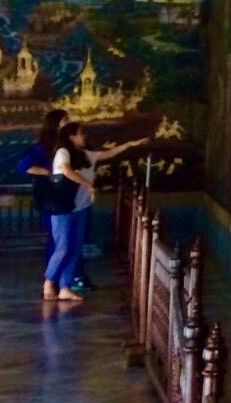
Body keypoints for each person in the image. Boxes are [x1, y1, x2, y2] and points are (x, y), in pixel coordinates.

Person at [44, 122, 146, 302]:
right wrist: (87, 184)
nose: (84, 136)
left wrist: (130, 145)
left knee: (76, 248)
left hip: (81, 207)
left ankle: (65, 287)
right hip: (63, 208)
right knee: (63, 247)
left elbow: (108, 153)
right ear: (71, 136)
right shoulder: (63, 152)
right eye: (81, 133)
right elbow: (66, 170)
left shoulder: (86, 154)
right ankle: (49, 282)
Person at [21, 108, 67, 265]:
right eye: (65, 121)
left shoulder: (63, 146)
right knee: (57, 237)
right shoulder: (43, 147)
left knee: (63, 237)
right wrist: (49, 172)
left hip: (62, 195)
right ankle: (54, 274)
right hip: (51, 196)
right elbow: (25, 166)